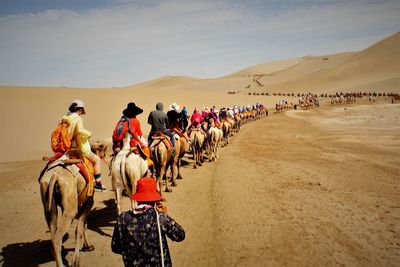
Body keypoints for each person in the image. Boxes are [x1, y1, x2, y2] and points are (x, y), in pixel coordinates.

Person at [112, 177, 185, 266]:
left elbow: (115, 247)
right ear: (155, 200)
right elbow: (180, 235)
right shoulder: (159, 218)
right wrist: (165, 215)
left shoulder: (122, 218)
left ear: (137, 198)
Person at [62, 99, 106, 191]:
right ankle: (98, 183)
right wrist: (89, 133)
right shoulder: (77, 118)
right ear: (80, 109)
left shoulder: (64, 117)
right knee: (97, 160)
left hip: (64, 146)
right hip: (78, 147)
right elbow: (80, 131)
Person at [112, 102, 153, 167]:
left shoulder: (121, 120)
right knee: (146, 148)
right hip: (130, 141)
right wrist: (141, 144)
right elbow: (138, 133)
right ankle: (148, 163)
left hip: (118, 143)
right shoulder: (135, 121)